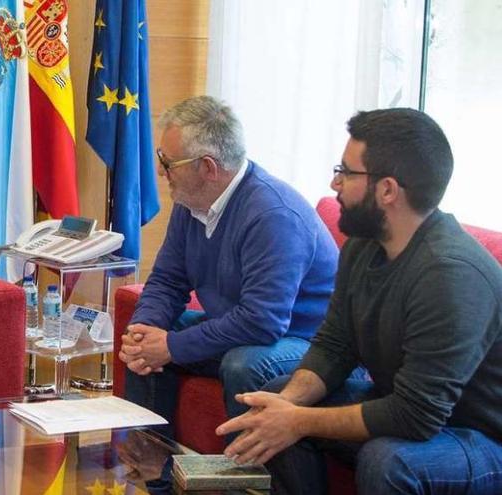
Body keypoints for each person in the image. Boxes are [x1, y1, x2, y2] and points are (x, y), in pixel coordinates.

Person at [217, 108, 502, 494]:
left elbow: (416, 416)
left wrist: (296, 420)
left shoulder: (451, 274)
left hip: (482, 437)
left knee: (389, 459)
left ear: (387, 190)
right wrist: (284, 407)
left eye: (346, 172)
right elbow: (335, 345)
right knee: (276, 398)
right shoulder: (363, 246)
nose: (335, 183)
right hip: (409, 408)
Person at [118, 95, 341, 437]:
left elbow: (262, 322)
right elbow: (166, 281)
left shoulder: (273, 215)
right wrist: (145, 329)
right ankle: (152, 471)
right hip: (243, 327)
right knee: (143, 342)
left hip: (306, 341)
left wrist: (172, 347)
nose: (161, 172)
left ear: (207, 167)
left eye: (168, 162)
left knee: (244, 363)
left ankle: (245, 481)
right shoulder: (192, 200)